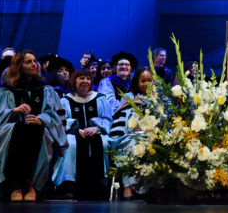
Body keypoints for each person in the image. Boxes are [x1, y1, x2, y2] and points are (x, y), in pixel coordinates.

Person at [0, 50, 66, 202]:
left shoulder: (45, 89)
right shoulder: (5, 89)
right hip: (9, 129)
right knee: (19, 130)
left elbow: (55, 115)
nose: (34, 64)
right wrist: (13, 111)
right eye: (28, 62)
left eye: (35, 61)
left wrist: (42, 119)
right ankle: (15, 184)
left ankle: (30, 184)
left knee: (36, 130)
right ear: (18, 65)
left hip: (38, 129)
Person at [53, 69, 113, 200]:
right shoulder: (65, 100)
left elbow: (108, 119)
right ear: (74, 81)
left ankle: (100, 184)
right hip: (73, 133)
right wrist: (77, 129)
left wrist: (96, 128)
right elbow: (61, 121)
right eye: (81, 78)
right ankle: (68, 185)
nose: (85, 81)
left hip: (97, 133)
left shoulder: (100, 98)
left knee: (103, 143)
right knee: (70, 143)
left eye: (88, 78)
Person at [109, 67, 155, 199]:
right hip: (128, 136)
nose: (147, 84)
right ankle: (128, 186)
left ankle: (156, 187)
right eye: (143, 81)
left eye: (150, 80)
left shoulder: (160, 100)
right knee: (134, 140)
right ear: (136, 82)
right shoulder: (129, 100)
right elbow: (118, 127)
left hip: (154, 135)